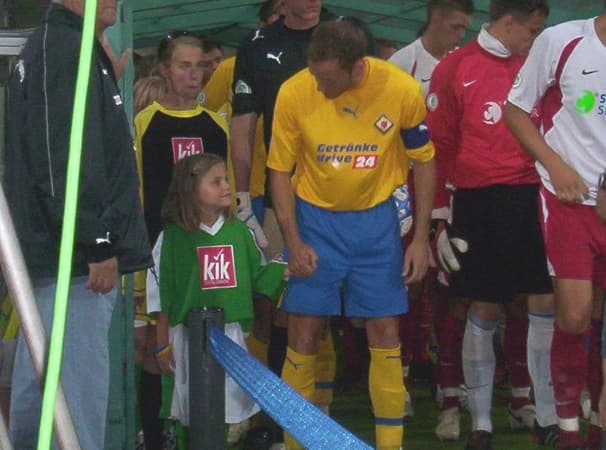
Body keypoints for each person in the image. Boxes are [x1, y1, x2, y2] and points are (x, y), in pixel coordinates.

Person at [268, 20, 436, 450]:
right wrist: (292, 239)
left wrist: (419, 238)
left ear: (358, 67)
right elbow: (279, 170)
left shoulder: (400, 90)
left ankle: (390, 445)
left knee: (385, 332)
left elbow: (425, 161)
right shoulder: (294, 91)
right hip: (314, 222)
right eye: (314, 74)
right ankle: (294, 443)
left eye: (327, 78)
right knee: (302, 333)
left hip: (376, 224)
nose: (319, 86)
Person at [4, 0, 152, 448]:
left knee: (45, 387)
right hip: (74, 261)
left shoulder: (60, 48)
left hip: (58, 255)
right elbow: (63, 158)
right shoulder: (65, 50)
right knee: (75, 403)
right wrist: (97, 242)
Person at [426, 1, 552, 449]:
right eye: (532, 30)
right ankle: (480, 422)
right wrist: (438, 217)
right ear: (509, 22)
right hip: (479, 200)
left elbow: (567, 115)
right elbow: (437, 148)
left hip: (536, 195)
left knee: (543, 302)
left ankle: (549, 415)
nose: (535, 38)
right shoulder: (455, 68)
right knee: (483, 306)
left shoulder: (540, 63)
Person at [231, 2, 338, 428]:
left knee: (326, 307)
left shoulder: (346, 33)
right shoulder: (257, 45)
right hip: (284, 195)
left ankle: (316, 411)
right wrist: (242, 195)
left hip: (344, 196)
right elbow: (243, 124)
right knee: (281, 303)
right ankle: (277, 417)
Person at [505, 10, 606, 449]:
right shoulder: (562, 39)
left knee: (599, 319)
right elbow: (515, 111)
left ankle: (598, 422)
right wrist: (556, 165)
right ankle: (567, 425)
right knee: (574, 315)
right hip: (566, 199)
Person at [133, 31, 231, 450]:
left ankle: (202, 433)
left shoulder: (216, 125)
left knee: (203, 346)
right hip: (155, 251)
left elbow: (227, 191)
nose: (195, 74)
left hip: (203, 254)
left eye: (201, 66)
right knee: (151, 347)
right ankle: (153, 436)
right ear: (164, 71)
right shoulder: (145, 122)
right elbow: (135, 189)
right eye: (184, 66)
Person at [151, 153, 287, 446]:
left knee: (228, 409)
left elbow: (260, 277)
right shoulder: (172, 238)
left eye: (226, 179)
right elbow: (161, 293)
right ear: (191, 191)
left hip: (230, 338)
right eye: (216, 182)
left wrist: (286, 267)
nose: (226, 186)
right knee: (189, 408)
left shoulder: (240, 233)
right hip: (186, 337)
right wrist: (162, 341)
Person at [388, 0, 473, 438]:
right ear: (436, 18)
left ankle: (449, 386)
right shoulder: (400, 65)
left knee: (452, 290)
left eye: (466, 27)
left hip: (457, 193)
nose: (462, 33)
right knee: (407, 285)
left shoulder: (467, 65)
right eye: (457, 25)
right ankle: (397, 379)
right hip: (405, 191)